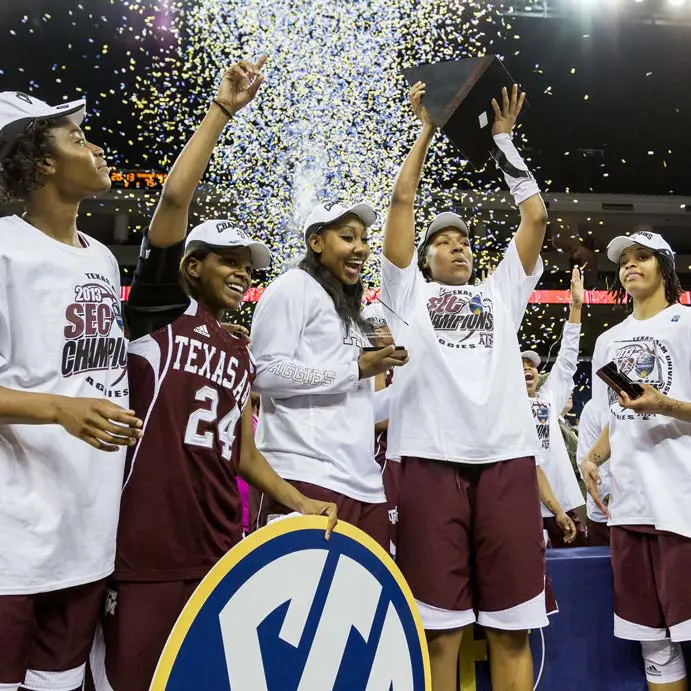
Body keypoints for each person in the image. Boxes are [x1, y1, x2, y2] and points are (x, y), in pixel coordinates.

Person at [91, 58, 337, 691]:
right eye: (225, 261)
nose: (241, 272)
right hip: (145, 544)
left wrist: (296, 500)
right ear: (191, 265)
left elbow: (243, 450)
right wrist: (222, 113)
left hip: (220, 544)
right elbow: (175, 198)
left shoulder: (239, 351)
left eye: (247, 264)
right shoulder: (155, 314)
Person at [381, 81, 549, 691]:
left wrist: (504, 142)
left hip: (505, 458)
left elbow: (534, 216)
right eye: (442, 242)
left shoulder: (501, 293)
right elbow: (402, 204)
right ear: (423, 261)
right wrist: (426, 130)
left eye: (464, 242)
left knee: (511, 631)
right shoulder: (408, 295)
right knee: (439, 632)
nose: (456, 246)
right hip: (429, 461)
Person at [0, 90, 143, 691]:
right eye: (76, 138)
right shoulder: (5, 248)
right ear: (41, 163)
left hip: (89, 531)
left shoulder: (105, 261)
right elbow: (65, 396)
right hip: (15, 537)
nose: (96, 146)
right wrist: (59, 408)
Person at [249, 201, 408, 550]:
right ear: (317, 243)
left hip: (363, 482)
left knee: (362, 601)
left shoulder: (350, 312)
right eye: (348, 237)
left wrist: (415, 388)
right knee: (298, 597)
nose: (361, 248)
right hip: (303, 474)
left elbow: (358, 407)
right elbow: (262, 372)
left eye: (364, 239)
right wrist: (354, 370)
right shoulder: (294, 286)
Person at [581, 231, 690, 690]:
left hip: (681, 504)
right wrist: (593, 456)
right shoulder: (608, 340)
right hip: (629, 506)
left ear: (663, 266)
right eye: (623, 260)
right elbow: (617, 414)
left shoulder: (687, 325)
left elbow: (654, 405)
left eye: (641, 257)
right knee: (655, 645)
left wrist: (665, 406)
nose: (629, 266)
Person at [521, 267, 586, 548]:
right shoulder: (503, 404)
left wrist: (576, 307)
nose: (527, 370)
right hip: (524, 504)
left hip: (563, 499)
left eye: (531, 366)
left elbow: (568, 357)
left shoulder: (550, 399)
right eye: (520, 366)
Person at [363, 301, 401, 556]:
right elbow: (375, 419)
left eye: (381, 325)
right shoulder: (370, 364)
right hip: (384, 458)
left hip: (408, 457)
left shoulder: (405, 361)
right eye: (373, 327)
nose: (378, 332)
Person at [576, 398, 610, 547]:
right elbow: (585, 460)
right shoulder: (595, 407)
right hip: (604, 514)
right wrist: (607, 495)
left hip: (650, 511)